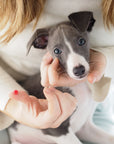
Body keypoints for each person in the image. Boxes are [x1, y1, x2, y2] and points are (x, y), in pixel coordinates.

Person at [0, 0, 113, 143]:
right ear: (40, 42)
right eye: (58, 51)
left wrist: (106, 61)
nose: (76, 65)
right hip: (7, 114)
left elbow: (85, 128)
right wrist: (15, 108)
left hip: (94, 98)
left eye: (81, 42)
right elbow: (60, 131)